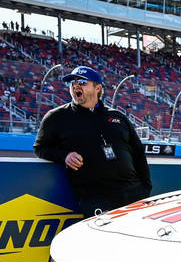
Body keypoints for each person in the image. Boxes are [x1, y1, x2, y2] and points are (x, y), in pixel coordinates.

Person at [33, 65, 152, 217]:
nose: (75, 85)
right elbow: (40, 148)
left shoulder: (118, 116)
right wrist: (65, 155)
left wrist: (145, 187)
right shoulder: (56, 117)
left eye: (82, 82)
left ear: (97, 88)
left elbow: (138, 151)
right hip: (96, 198)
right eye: (72, 83)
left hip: (134, 193)